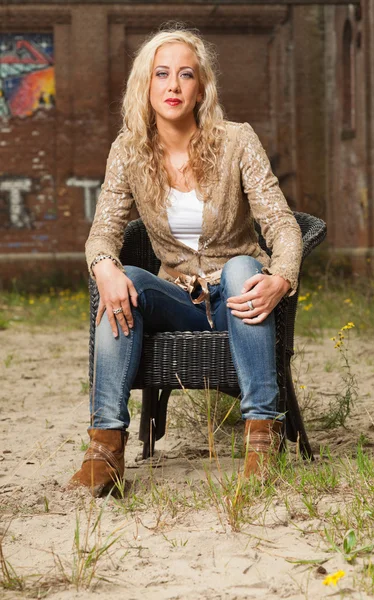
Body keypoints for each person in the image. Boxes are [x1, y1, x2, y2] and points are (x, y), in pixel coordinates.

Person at [68, 25, 302, 496]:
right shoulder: (129, 152)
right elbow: (104, 234)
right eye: (162, 74)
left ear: (200, 88)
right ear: (147, 85)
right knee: (125, 281)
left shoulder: (237, 141)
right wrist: (105, 267)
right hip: (177, 298)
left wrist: (281, 276)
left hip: (238, 296)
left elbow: (283, 224)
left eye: (185, 75)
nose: (173, 85)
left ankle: (262, 437)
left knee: (240, 267)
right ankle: (106, 448)